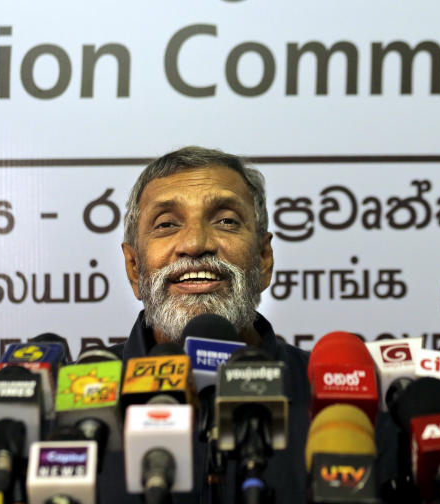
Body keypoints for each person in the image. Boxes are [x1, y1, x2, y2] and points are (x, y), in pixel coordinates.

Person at [99, 146, 311, 503]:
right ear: (134, 268)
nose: (196, 244)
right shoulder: (72, 401)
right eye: (166, 224)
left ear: (263, 259)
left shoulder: (327, 394)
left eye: (226, 220)